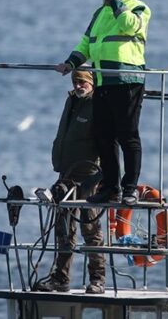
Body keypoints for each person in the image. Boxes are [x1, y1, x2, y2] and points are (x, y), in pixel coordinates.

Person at [55, 0, 151, 206]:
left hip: (127, 80)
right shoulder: (100, 13)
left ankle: (130, 188)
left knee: (128, 135)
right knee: (103, 137)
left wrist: (118, 2)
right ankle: (110, 187)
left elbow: (130, 27)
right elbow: (87, 42)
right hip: (103, 81)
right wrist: (71, 62)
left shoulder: (138, 7)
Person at [34, 69, 106, 294]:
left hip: (89, 178)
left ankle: (97, 280)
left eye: (83, 81)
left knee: (91, 229)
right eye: (76, 81)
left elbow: (108, 145)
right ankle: (60, 279)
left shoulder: (99, 105)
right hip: (66, 175)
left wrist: (101, 177)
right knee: (63, 229)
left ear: (92, 82)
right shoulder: (72, 101)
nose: (78, 85)